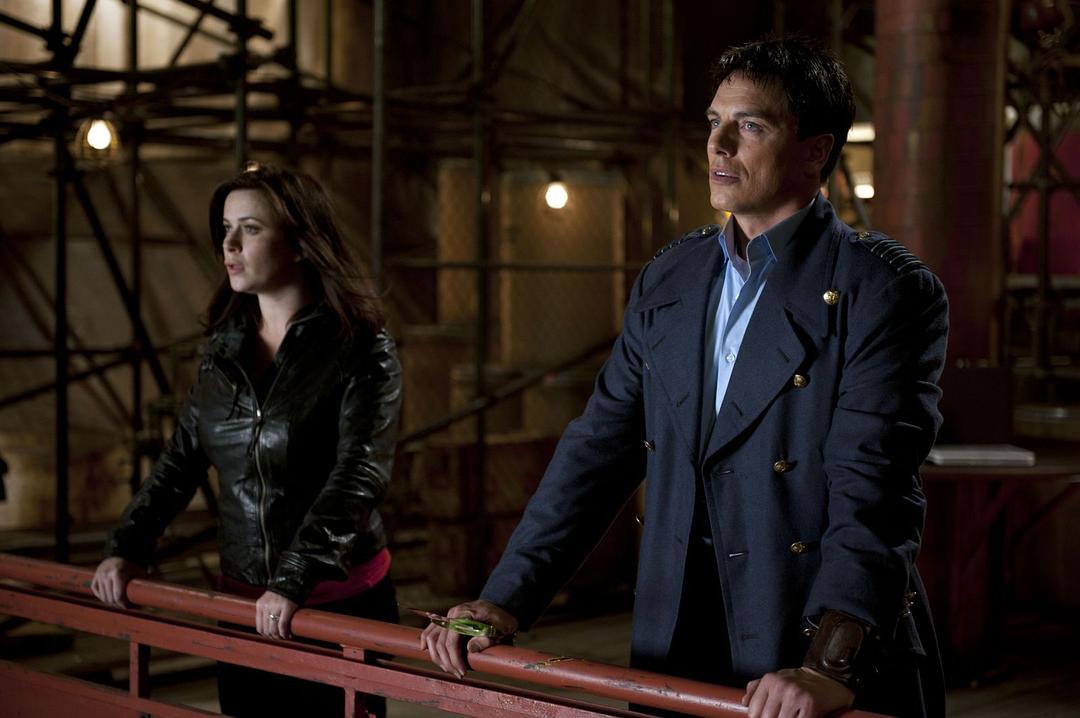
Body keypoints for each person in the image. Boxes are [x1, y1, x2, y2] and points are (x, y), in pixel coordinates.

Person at [422, 36, 948, 718]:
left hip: (805, 643)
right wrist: (504, 597)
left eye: (750, 126)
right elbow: (598, 450)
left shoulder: (881, 290)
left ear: (816, 150)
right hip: (678, 638)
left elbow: (873, 487)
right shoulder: (672, 277)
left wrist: (829, 664)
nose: (718, 145)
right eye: (713, 122)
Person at [91, 163, 402, 717]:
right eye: (226, 229)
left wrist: (293, 578)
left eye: (251, 229)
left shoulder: (361, 347)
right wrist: (127, 548)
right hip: (242, 605)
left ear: (300, 243)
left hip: (335, 604)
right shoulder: (223, 350)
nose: (229, 245)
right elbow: (180, 461)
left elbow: (359, 474)